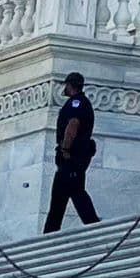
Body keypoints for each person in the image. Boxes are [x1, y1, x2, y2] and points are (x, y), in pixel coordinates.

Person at [45, 72, 100, 233]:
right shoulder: (83, 103)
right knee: (62, 197)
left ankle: (93, 224)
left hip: (71, 159)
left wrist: (65, 149)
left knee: (73, 195)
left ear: (70, 85)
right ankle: (50, 233)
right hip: (76, 160)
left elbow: (73, 124)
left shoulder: (76, 103)